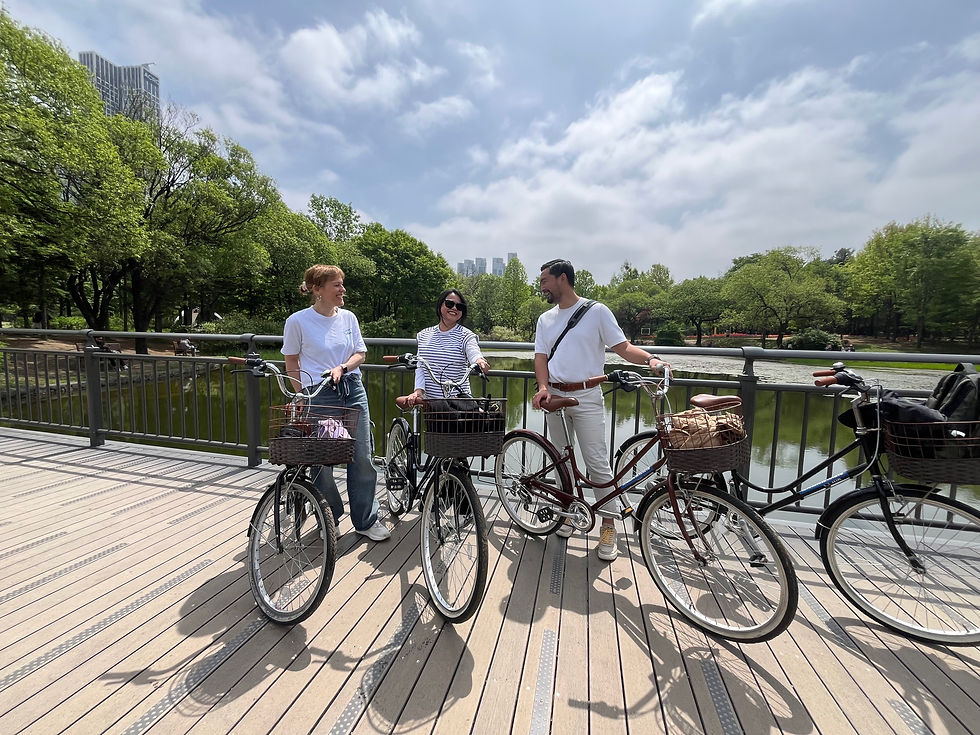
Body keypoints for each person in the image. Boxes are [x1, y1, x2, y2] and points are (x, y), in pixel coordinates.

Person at [532, 259, 670, 561]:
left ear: (563, 279)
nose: (541, 285)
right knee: (560, 461)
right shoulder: (545, 319)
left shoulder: (597, 312)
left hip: (586, 396)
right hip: (554, 395)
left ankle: (609, 525)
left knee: (597, 462)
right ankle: (568, 512)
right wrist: (543, 388)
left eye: (545, 280)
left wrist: (651, 360)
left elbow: (623, 348)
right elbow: (540, 357)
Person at [281, 265, 389, 542]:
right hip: (320, 393)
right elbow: (291, 361)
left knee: (362, 456)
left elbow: (360, 353)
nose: (343, 290)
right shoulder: (298, 321)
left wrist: (343, 366)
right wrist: (302, 394)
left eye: (342, 284)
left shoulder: (348, 318)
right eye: (336, 286)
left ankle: (366, 520)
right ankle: (329, 516)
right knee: (322, 461)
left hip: (352, 388)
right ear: (317, 290)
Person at [398, 289, 490, 407]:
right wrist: (418, 391)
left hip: (459, 403)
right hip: (431, 403)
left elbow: (473, 351)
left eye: (459, 306)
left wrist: (479, 361)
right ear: (440, 305)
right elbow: (420, 366)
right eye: (449, 304)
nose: (454, 308)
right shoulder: (424, 335)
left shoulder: (466, 335)